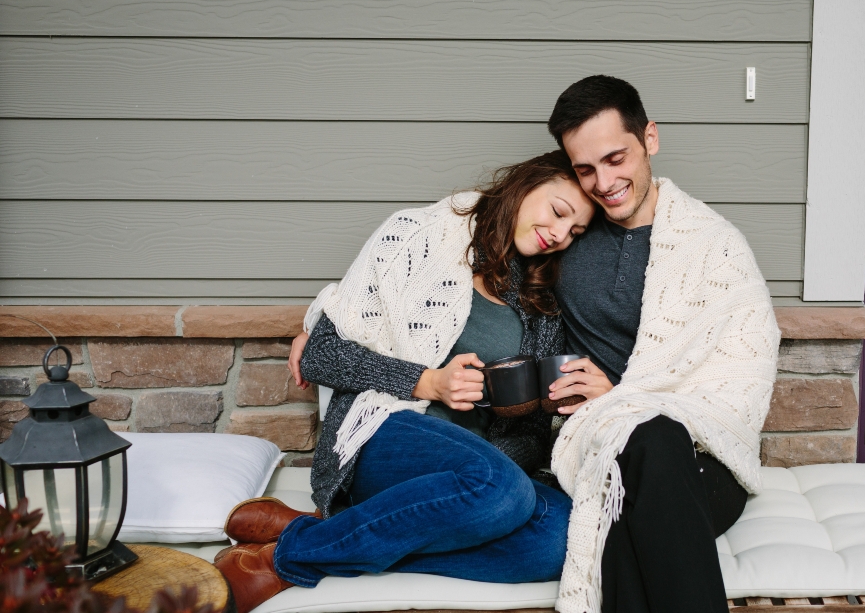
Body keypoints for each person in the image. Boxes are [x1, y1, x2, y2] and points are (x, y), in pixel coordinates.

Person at [213, 151, 594, 613]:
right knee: (504, 489)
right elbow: (321, 354)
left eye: (574, 232)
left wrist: (537, 409)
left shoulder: (540, 301)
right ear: (525, 185)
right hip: (386, 434)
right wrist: (429, 383)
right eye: (558, 212)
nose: (559, 234)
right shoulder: (417, 237)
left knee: (559, 541)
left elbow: (529, 436)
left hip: (475, 478)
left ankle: (326, 533)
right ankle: (284, 562)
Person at [542, 76, 780, 613]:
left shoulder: (714, 245)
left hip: (704, 459)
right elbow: (455, 233)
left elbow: (742, 376)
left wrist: (619, 397)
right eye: (585, 169)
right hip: (601, 446)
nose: (603, 183)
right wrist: (328, 313)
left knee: (650, 454)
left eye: (615, 158)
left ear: (649, 138)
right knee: (643, 453)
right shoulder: (564, 235)